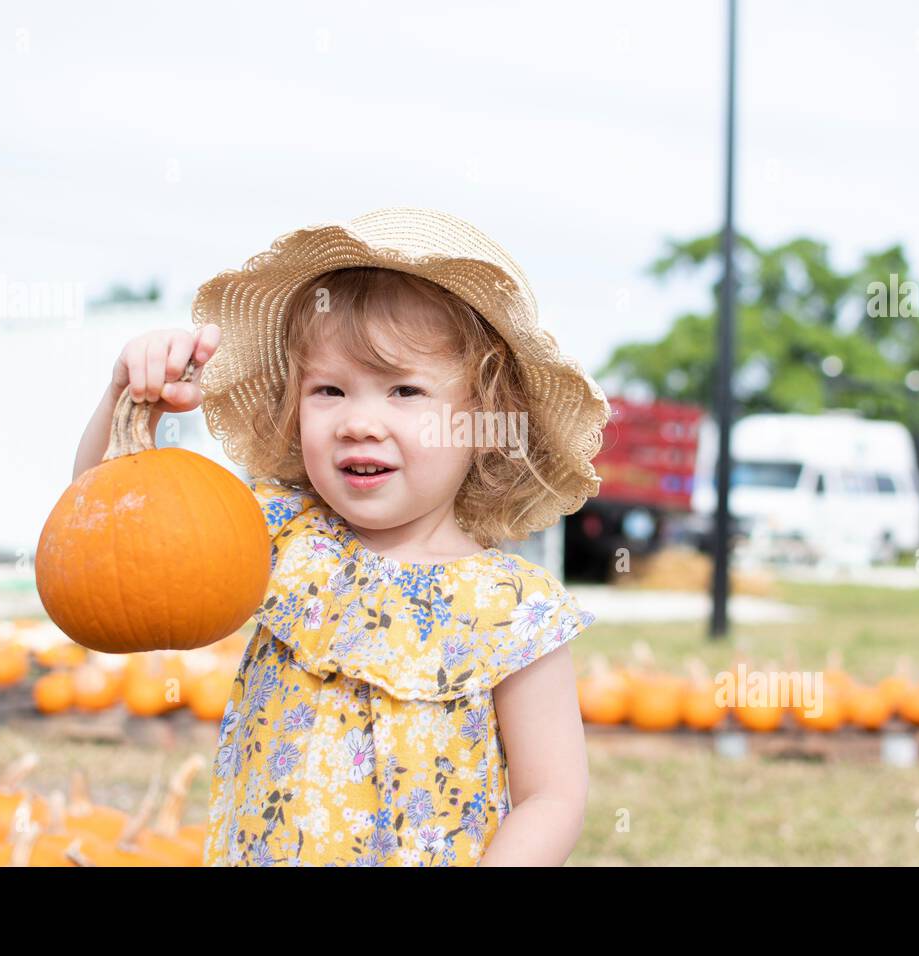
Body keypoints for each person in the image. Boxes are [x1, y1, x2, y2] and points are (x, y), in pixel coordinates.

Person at [70, 208, 611, 866]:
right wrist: (128, 400)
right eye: (329, 389)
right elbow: (105, 524)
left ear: (482, 420)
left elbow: (551, 796)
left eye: (404, 391)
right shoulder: (279, 532)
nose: (359, 421)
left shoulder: (512, 608)